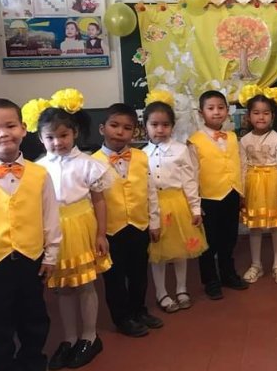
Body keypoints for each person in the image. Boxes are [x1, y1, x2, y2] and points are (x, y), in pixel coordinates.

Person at [0, 99, 61, 371]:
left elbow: (51, 217)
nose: (3, 133)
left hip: (30, 259)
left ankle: (34, 366)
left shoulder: (40, 174)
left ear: (23, 129)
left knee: (34, 316)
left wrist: (51, 254)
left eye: (10, 125)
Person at [35, 102, 113, 370]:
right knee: (62, 288)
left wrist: (101, 234)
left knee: (85, 284)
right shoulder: (39, 168)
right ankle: (68, 338)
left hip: (81, 227)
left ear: (75, 133)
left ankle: (89, 336)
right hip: (53, 230)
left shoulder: (89, 164)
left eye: (63, 135)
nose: (57, 142)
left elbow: (100, 201)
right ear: (40, 138)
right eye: (50, 137)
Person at [94, 104, 164, 338]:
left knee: (139, 274)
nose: (120, 132)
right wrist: (97, 234)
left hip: (139, 225)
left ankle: (139, 310)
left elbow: (150, 191)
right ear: (102, 128)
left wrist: (154, 221)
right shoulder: (92, 162)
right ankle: (122, 318)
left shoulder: (142, 157)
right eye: (114, 126)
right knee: (114, 278)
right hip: (111, 229)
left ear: (134, 132)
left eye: (127, 128)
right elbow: (91, 202)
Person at [143, 101, 208, 313]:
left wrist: (195, 209)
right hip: (155, 207)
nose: (160, 129)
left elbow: (190, 181)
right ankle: (161, 292)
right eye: (154, 124)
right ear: (146, 126)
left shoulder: (181, 150)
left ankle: (181, 289)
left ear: (172, 126)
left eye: (165, 125)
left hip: (179, 204)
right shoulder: (141, 155)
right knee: (158, 253)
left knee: (181, 249)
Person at [188, 91, 247, 301]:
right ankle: (210, 280)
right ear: (201, 112)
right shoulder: (194, 141)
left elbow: (241, 165)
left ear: (227, 111)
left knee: (229, 238)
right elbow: (191, 175)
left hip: (231, 194)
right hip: (208, 198)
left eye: (221, 108)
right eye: (211, 108)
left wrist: (241, 191)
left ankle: (228, 274)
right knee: (209, 242)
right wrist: (195, 206)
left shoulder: (232, 137)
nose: (216, 112)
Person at [239, 87, 277, 284]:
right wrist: (242, 193)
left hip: (273, 185)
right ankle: (256, 265)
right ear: (249, 116)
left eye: (266, 113)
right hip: (253, 187)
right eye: (256, 113)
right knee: (255, 227)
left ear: (273, 116)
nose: (261, 117)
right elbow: (242, 167)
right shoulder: (244, 140)